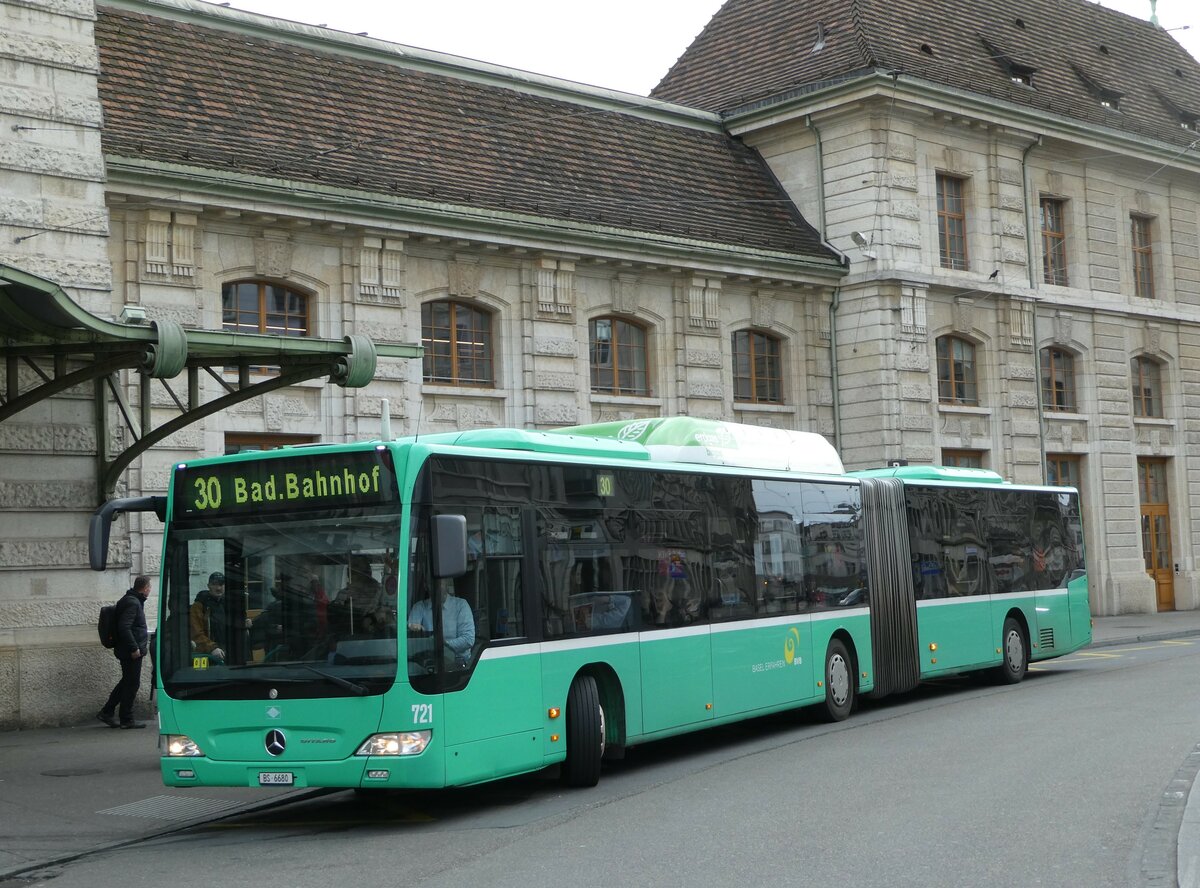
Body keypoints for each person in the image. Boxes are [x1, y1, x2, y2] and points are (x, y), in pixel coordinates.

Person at [97, 575, 151, 729]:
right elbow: (124, 627)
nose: (150, 590)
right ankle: (126, 719)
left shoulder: (131, 600)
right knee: (132, 684)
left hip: (129, 649)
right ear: (145, 588)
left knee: (127, 682)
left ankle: (107, 712)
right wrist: (134, 648)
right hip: (131, 651)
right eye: (149, 587)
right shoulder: (132, 602)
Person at [407, 579, 475, 666]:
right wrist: (414, 629)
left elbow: (468, 640)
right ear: (426, 586)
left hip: (457, 663)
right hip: (427, 662)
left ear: (446, 582)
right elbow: (411, 629)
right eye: (431, 582)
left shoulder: (461, 605)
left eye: (440, 581)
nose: (437, 586)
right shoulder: (420, 607)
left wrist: (444, 643)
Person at [190, 571, 231, 662]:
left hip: (228, 651)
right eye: (214, 584)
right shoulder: (199, 606)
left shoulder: (229, 604)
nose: (218, 588)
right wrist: (212, 648)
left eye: (221, 584)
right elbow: (196, 633)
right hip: (208, 654)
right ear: (208, 586)